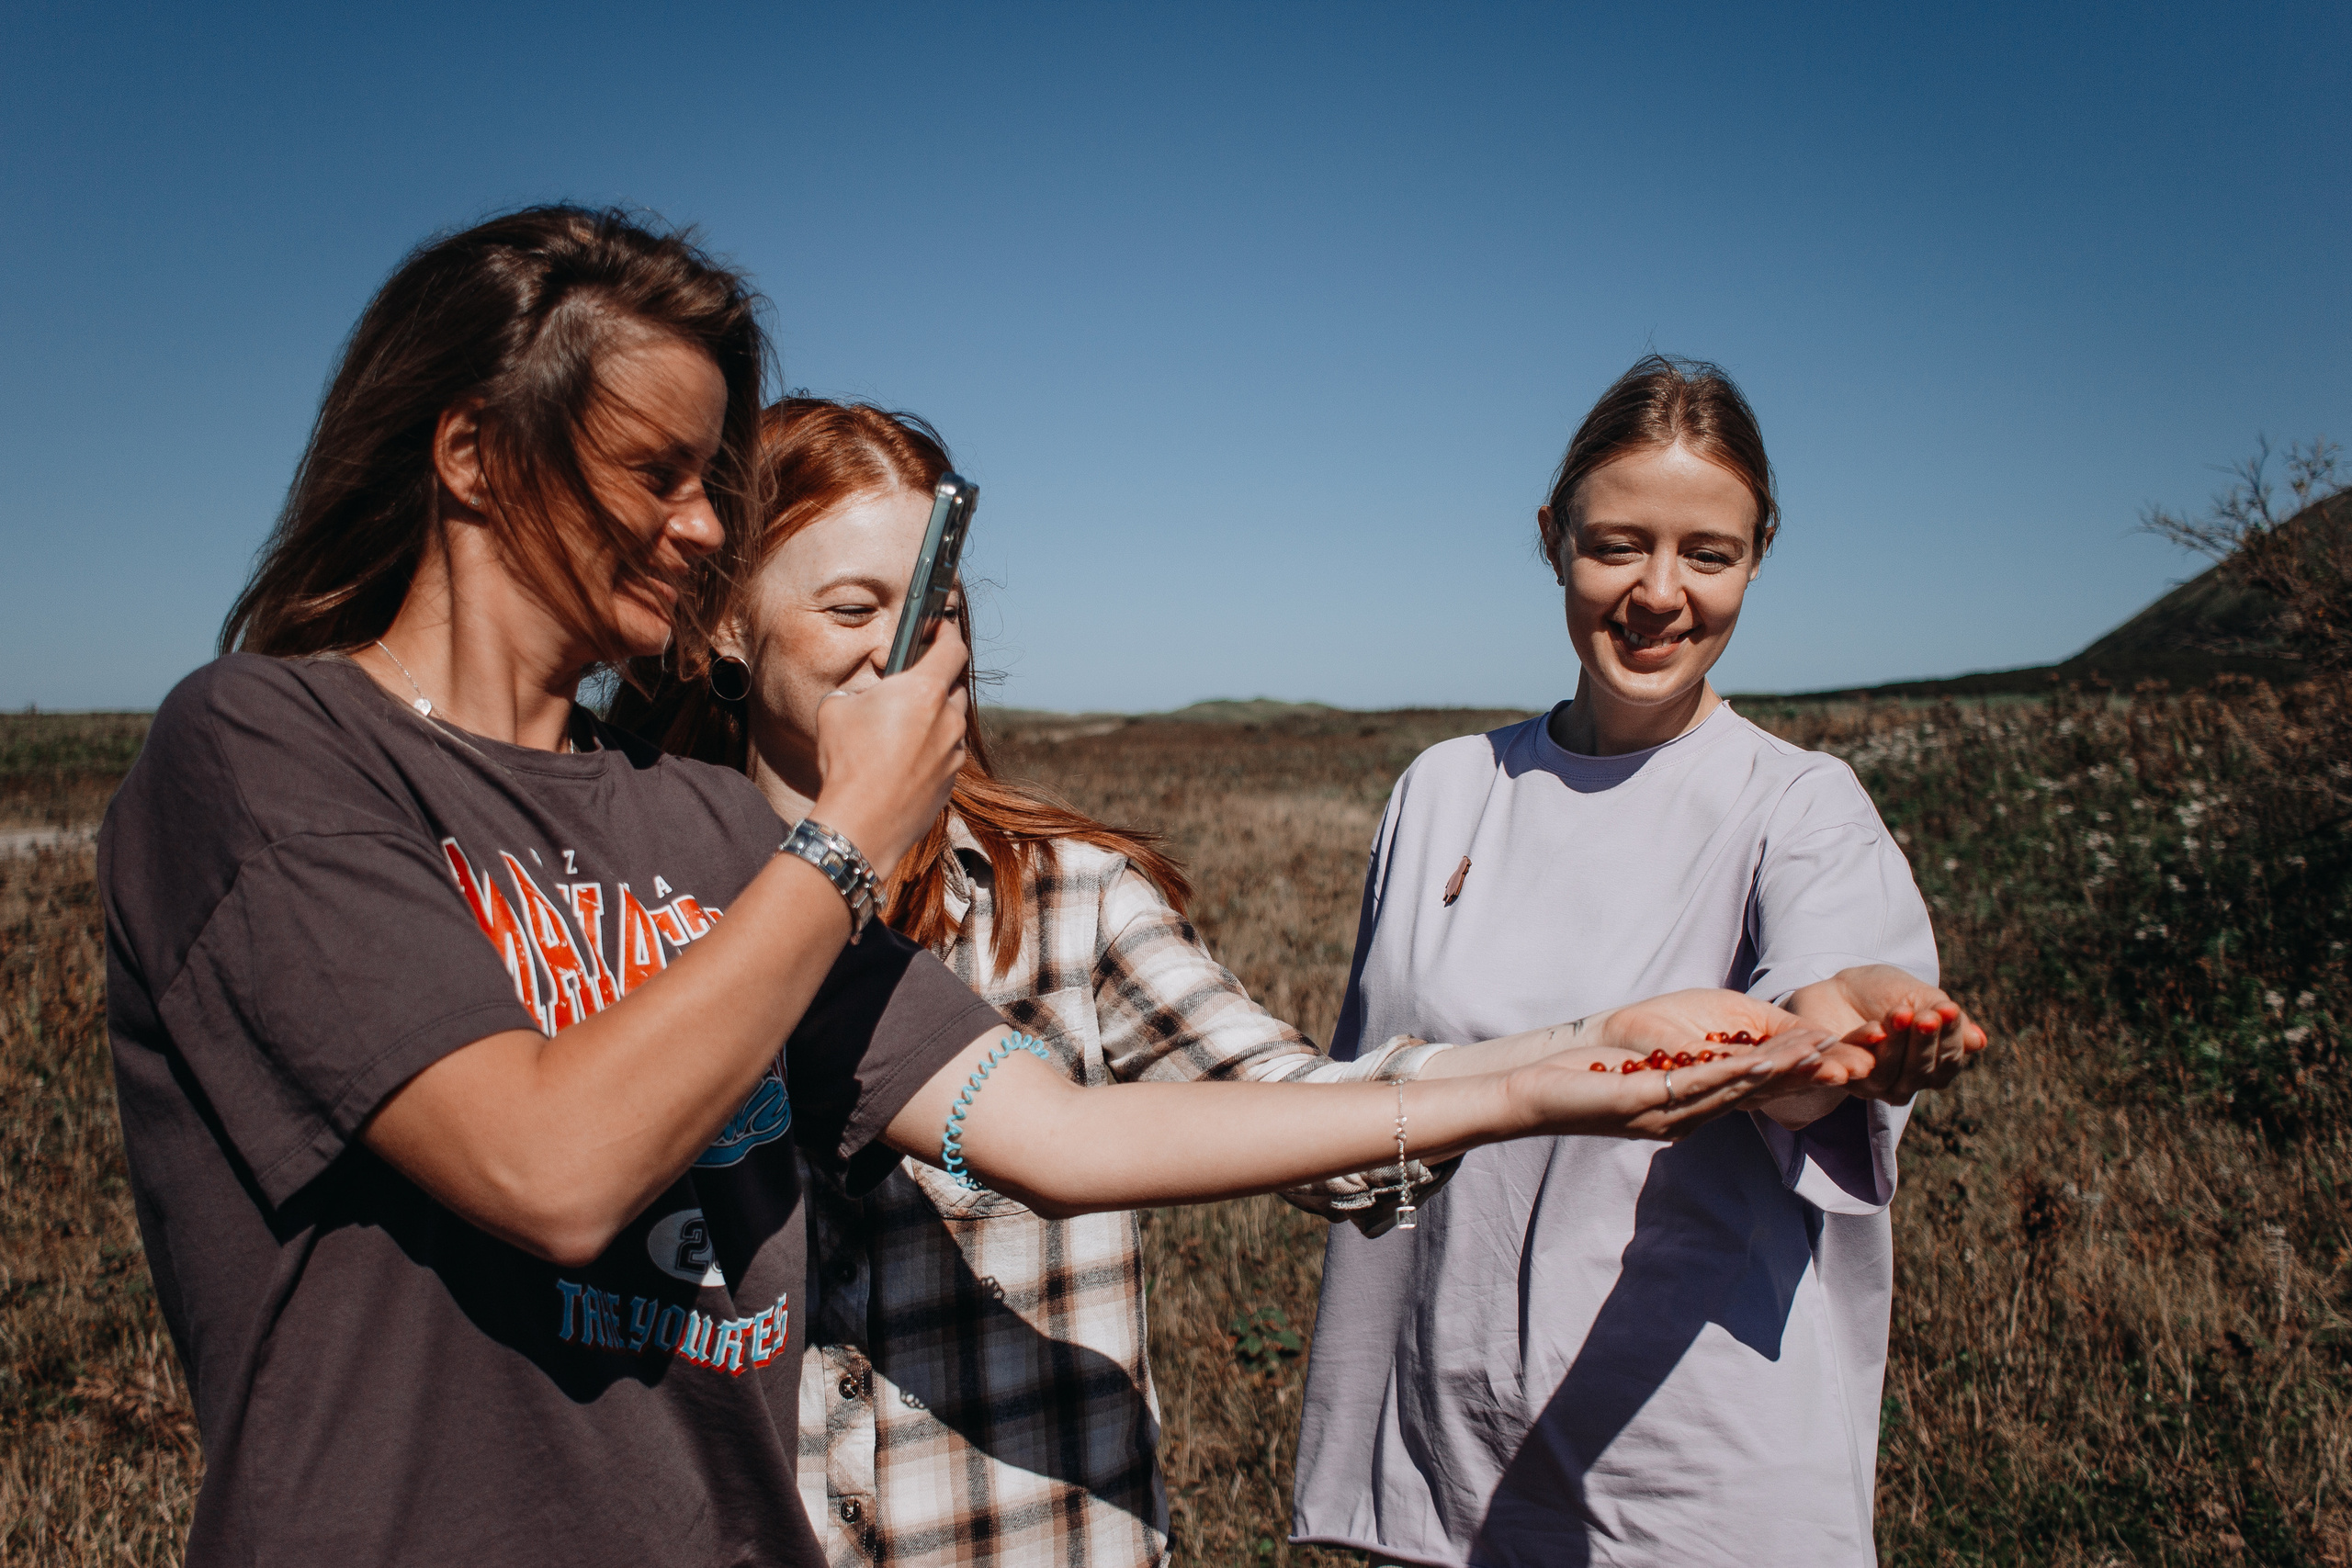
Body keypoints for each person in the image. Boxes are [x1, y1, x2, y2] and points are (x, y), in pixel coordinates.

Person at [100, 213, 1874, 1568]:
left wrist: (1562, 1067)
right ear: (475, 455)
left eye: (716, 486)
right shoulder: (264, 748)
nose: (703, 528)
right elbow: (550, 1171)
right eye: (658, 475)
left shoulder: (691, 839)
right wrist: (840, 849)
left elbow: (1067, 1136)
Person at [621, 398, 1580, 1567]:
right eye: (852, 609)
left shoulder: (1066, 899)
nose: (901, 652)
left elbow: (1285, 1097)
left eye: (938, 612)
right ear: (723, 623)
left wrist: (1572, 1054)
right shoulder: (620, 905)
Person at [1289, 355, 1986, 1568]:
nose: (1660, 593)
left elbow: (1812, 1023)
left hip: (1682, 1471)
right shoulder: (1445, 788)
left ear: (1758, 553)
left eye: (1707, 554)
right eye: (1619, 544)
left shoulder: (1800, 805)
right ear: (1553, 538)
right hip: (1448, 1440)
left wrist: (1842, 1033)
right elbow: (1374, 1100)